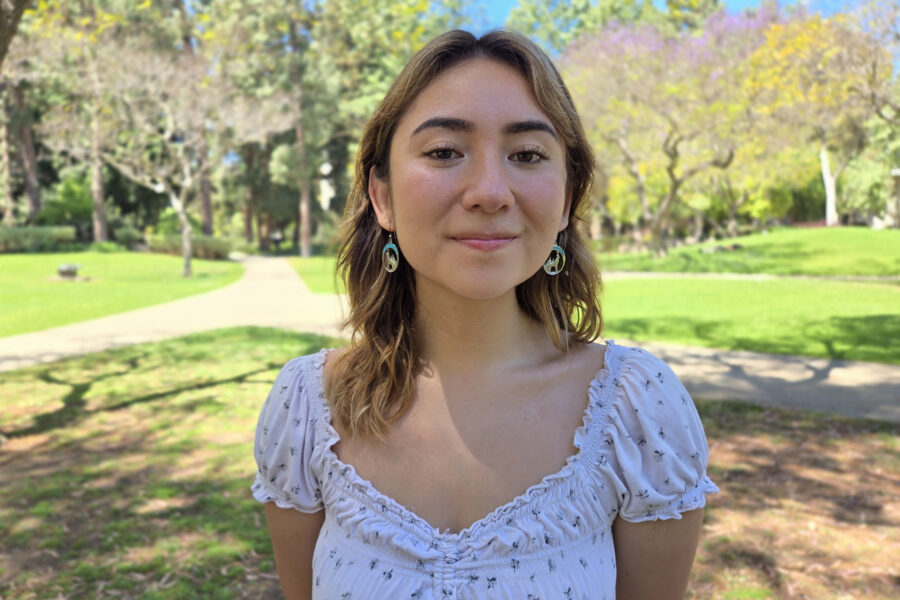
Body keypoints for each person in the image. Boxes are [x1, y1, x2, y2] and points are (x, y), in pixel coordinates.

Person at [251, 29, 718, 600]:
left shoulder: (638, 411)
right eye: (444, 151)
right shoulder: (306, 410)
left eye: (527, 155)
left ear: (566, 199)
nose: (491, 192)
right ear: (382, 197)